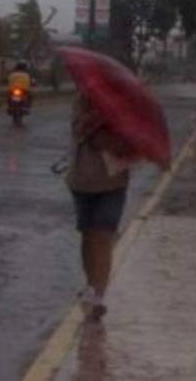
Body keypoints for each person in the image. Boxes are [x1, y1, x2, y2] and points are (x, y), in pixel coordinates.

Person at [66, 94, 133, 320]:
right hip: (83, 180)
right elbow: (82, 131)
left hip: (114, 181)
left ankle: (98, 296)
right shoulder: (82, 101)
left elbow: (126, 143)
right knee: (88, 235)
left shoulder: (125, 105)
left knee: (103, 235)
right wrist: (104, 116)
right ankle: (91, 285)